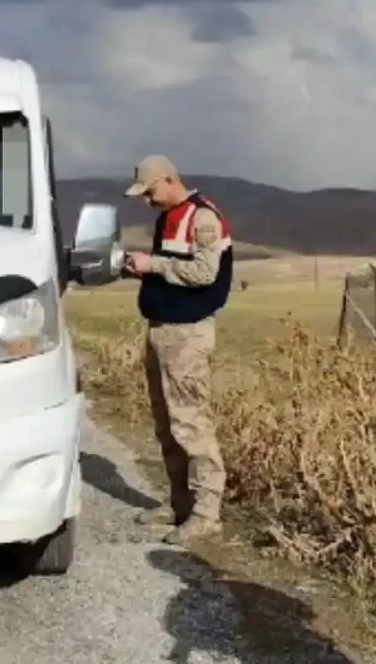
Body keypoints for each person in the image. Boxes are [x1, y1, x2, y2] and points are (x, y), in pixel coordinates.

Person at [122, 154, 233, 544]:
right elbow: (170, 266)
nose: (147, 202)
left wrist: (153, 266)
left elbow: (205, 273)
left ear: (170, 180)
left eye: (150, 192)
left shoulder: (203, 218)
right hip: (161, 331)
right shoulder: (167, 218)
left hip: (187, 335)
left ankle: (207, 511)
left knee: (191, 422)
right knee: (166, 423)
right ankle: (180, 502)